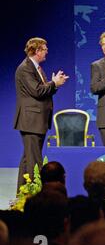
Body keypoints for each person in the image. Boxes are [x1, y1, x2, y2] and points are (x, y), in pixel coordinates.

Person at [14, 37, 68, 190]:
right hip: (31, 121)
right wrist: (54, 83)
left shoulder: (36, 67)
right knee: (34, 161)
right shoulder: (25, 68)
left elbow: (42, 90)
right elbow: (37, 91)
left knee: (27, 159)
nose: (47, 52)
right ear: (37, 51)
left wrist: (54, 85)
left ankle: (22, 194)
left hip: (36, 120)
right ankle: (36, 194)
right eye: (45, 49)